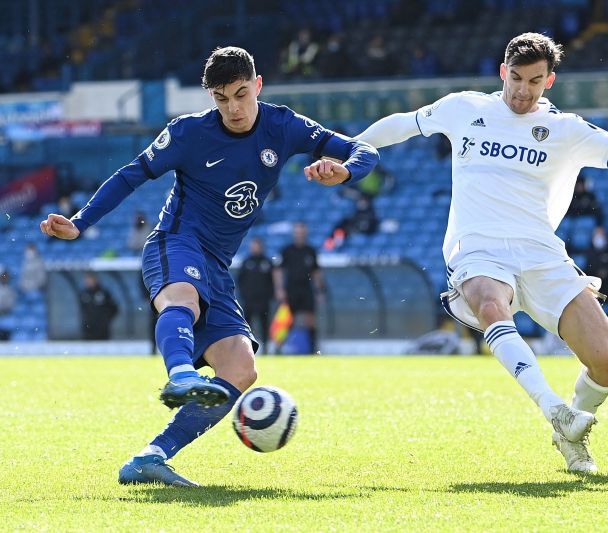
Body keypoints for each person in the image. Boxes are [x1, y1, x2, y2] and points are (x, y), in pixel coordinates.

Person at [352, 32, 608, 474]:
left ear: (550, 81)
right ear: (502, 71)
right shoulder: (465, 108)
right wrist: (347, 150)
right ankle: (554, 409)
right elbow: (402, 124)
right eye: (516, 78)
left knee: (606, 359)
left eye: (534, 80)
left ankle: (569, 436)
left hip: (541, 252)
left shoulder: (567, 130)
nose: (522, 90)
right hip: (479, 246)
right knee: (491, 304)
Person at [39, 46, 378, 487]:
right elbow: (130, 175)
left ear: (257, 85)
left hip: (217, 265)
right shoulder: (188, 133)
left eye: (241, 94)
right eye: (221, 98)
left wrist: (346, 171)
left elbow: (364, 151)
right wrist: (81, 223)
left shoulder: (284, 126)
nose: (233, 108)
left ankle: (152, 456)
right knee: (185, 298)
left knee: (241, 369)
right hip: (175, 242)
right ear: (210, 97)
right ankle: (180, 373)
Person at [274, 222, 325, 354]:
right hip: (291, 289)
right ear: (294, 234)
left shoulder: (310, 251)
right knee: (285, 321)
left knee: (310, 319)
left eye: (302, 232)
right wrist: (279, 289)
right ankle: (278, 348)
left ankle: (313, 349)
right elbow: (278, 270)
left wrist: (319, 291)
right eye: (297, 232)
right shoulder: (287, 250)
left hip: (306, 289)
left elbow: (316, 272)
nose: (299, 235)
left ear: (305, 233)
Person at [237, 237, 279, 350]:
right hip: (249, 300)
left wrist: (271, 295)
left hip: (263, 300)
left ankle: (265, 348)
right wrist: (244, 295)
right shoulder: (246, 262)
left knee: (264, 324)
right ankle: (247, 348)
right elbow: (240, 280)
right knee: (247, 325)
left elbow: (273, 280)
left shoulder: (267, 262)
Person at [78, 272, 118, 340]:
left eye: (90, 279)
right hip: (88, 329)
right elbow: (82, 310)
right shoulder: (83, 294)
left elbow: (114, 309)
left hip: (102, 330)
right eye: (86, 279)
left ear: (95, 279)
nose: (88, 281)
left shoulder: (104, 293)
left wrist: (105, 320)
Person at [0, 268, 16, 341]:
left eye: (6, 277)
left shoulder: (11, 290)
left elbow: (10, 305)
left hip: (6, 316)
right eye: (3, 276)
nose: (5, 278)